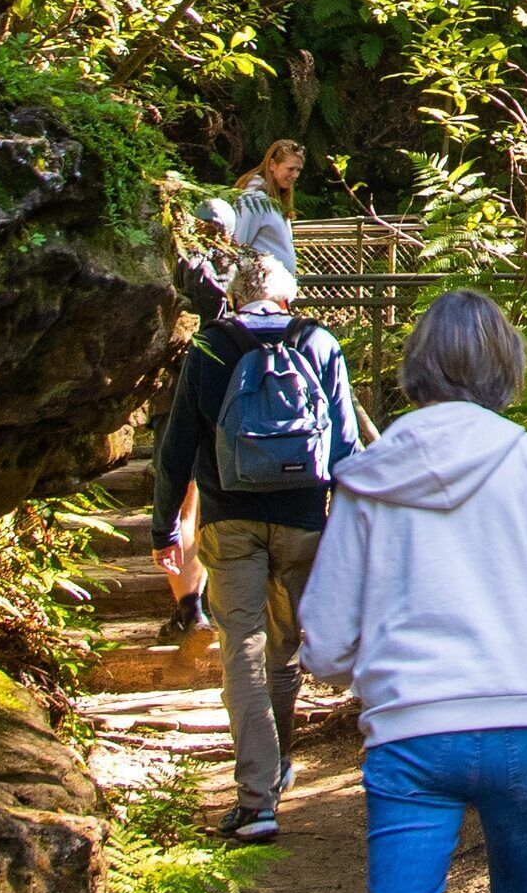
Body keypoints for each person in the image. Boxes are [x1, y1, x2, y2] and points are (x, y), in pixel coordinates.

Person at [298, 291, 527, 893]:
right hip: (525, 722)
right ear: (505, 369)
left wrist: (375, 681)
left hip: (411, 730)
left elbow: (325, 641)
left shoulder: (368, 475)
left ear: (418, 366)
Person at [152, 250, 368, 843]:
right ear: (286, 296)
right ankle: (278, 769)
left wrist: (165, 528)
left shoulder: (209, 347)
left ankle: (256, 799)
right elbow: (347, 449)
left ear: (235, 292)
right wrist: (350, 531)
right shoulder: (320, 342)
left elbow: (175, 450)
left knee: (240, 648)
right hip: (303, 521)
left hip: (229, 521)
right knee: (284, 646)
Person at [206, 138, 305, 281]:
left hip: (277, 288)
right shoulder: (254, 198)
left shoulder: (275, 200)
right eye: (290, 169)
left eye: (298, 170)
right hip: (257, 288)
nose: (295, 175)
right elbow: (238, 243)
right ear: (272, 165)